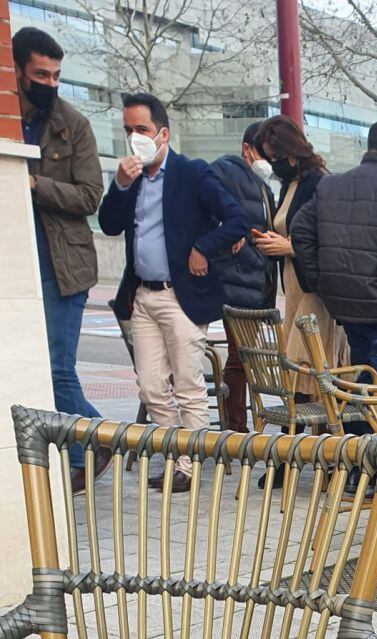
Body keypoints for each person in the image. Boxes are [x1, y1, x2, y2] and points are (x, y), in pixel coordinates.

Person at [98, 93, 248, 493]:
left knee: (187, 385)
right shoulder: (130, 178)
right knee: (150, 386)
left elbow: (237, 219)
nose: (134, 138)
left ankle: (190, 464)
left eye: (141, 130)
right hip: (142, 296)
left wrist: (203, 247)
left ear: (162, 134)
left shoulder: (191, 173)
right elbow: (109, 225)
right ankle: (175, 453)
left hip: (181, 296)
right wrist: (119, 184)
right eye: (128, 130)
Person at [290, 119, 377, 471]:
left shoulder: (332, 185)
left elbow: (300, 229)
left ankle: (356, 469)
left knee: (361, 388)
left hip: (347, 306)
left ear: (368, 148)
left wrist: (320, 281)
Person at [13, 27, 108, 492]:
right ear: (16, 71)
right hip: (19, 260)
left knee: (56, 368)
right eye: (40, 74)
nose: (49, 83)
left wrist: (35, 185)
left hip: (63, 265)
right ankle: (91, 440)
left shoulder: (74, 124)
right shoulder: (13, 119)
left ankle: (95, 439)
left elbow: (91, 195)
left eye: (56, 75)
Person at [251, 114, 346, 489]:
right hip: (292, 285)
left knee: (309, 371)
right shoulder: (291, 183)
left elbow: (328, 243)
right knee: (299, 372)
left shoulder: (318, 184)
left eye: (274, 154)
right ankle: (300, 456)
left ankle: (311, 458)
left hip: (313, 291)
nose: (270, 162)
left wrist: (288, 245)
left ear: (290, 152)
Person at [211, 121, 277, 433]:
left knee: (245, 357)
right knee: (241, 358)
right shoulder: (227, 171)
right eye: (264, 153)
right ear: (247, 149)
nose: (269, 161)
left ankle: (238, 424)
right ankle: (236, 427)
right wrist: (224, 230)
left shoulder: (264, 186)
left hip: (257, 281)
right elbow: (205, 201)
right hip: (236, 282)